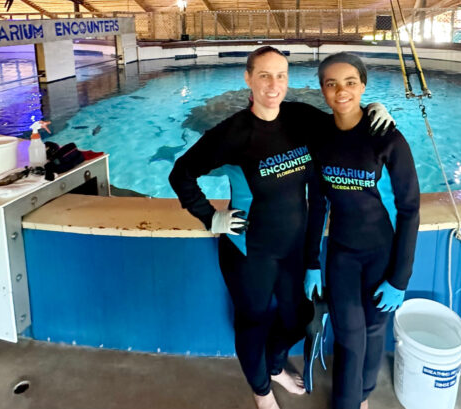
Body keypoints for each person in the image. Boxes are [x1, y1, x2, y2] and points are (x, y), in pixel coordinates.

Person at [168, 46, 394, 409]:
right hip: (249, 250)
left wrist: (372, 113)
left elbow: (344, 120)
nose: (273, 85)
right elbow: (181, 172)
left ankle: (274, 366)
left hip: (292, 247)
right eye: (264, 75)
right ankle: (261, 391)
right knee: (253, 323)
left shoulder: (300, 118)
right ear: (248, 79)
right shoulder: (233, 133)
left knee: (298, 318)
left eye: (281, 75)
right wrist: (209, 216)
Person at [304, 52, 420, 409]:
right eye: (332, 84)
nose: (341, 91)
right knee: (350, 336)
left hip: (380, 251)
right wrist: (311, 261)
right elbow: (318, 203)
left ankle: (364, 395)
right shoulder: (319, 137)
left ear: (363, 86)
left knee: (373, 330)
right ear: (322, 90)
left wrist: (400, 277)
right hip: (341, 253)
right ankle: (348, 403)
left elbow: (409, 207)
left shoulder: (386, 136)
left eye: (350, 82)